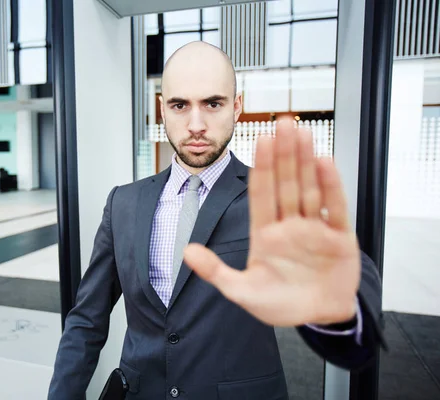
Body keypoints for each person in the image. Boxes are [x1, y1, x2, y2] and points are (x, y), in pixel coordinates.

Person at [48, 42, 385, 400]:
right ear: (162, 108)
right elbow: (87, 320)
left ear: (237, 106)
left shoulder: (274, 196)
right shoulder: (123, 203)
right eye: (180, 105)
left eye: (213, 103)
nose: (196, 125)